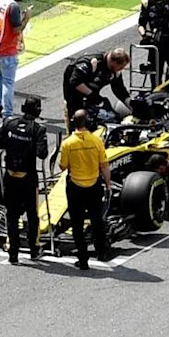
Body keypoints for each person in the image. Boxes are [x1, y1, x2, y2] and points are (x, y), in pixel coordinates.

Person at [0, 95, 49, 262]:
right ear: (38, 111)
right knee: (32, 215)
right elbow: (42, 153)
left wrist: (11, 144)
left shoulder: (9, 123)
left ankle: (13, 253)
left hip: (10, 177)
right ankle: (33, 250)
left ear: (23, 108)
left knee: (12, 216)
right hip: (28, 180)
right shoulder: (38, 129)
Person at [59, 113, 113, 266]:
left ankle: (82, 259)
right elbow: (104, 165)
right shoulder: (96, 141)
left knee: (77, 223)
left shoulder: (67, 143)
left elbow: (62, 166)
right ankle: (102, 252)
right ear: (87, 122)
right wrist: (108, 184)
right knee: (97, 220)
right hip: (94, 186)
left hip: (75, 187)